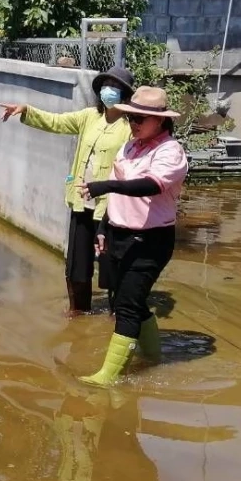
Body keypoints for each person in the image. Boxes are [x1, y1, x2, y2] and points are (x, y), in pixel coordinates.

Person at [0, 64, 136, 314]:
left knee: (111, 262)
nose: (108, 91)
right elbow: (56, 122)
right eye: (106, 85)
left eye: (115, 87)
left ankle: (117, 313)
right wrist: (25, 111)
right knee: (77, 261)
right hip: (81, 200)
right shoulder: (89, 117)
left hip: (110, 205)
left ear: (125, 94)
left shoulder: (130, 128)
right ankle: (78, 311)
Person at [76, 86, 189, 386]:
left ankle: (108, 377)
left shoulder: (170, 151)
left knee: (126, 304)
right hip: (119, 233)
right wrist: (104, 228)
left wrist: (107, 186)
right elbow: (119, 192)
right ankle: (152, 356)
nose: (134, 124)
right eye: (131, 118)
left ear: (161, 121)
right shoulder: (130, 147)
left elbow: (151, 186)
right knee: (130, 300)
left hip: (151, 241)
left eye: (141, 118)